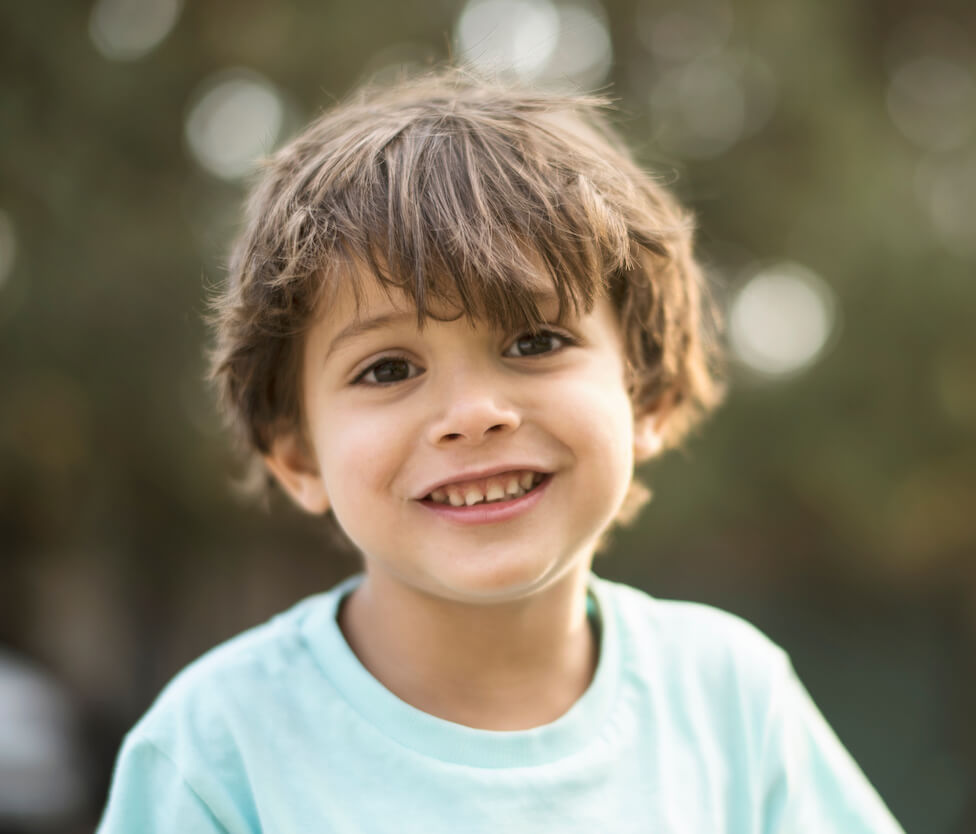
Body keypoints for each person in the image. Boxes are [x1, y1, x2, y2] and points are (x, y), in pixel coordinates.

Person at [97, 69, 904, 832]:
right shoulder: (215, 749)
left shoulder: (731, 699)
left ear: (646, 394)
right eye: (387, 369)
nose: (473, 415)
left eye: (535, 340)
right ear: (296, 457)